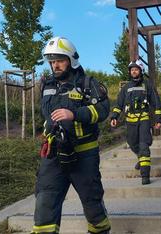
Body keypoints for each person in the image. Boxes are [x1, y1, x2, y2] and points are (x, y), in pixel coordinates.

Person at [32, 36, 111, 234]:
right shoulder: (46, 85)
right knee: (44, 203)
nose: (55, 65)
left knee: (92, 204)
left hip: (83, 155)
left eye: (59, 60)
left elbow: (102, 110)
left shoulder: (88, 83)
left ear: (71, 60)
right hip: (53, 154)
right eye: (52, 61)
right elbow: (46, 114)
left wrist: (75, 114)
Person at [110, 60, 161, 185]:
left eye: (136, 69)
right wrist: (114, 117)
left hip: (143, 118)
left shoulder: (147, 85)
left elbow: (156, 102)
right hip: (130, 120)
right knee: (132, 143)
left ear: (141, 71)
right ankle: (141, 158)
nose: (134, 71)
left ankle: (145, 175)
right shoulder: (126, 87)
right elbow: (119, 104)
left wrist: (158, 119)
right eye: (132, 70)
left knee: (144, 145)